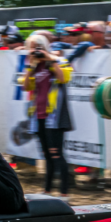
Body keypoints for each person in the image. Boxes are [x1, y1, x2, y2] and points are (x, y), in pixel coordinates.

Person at [20, 36, 74, 197]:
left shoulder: (58, 60)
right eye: (31, 47)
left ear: (45, 47)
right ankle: (47, 191)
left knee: (57, 154)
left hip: (54, 116)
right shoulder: (34, 67)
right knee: (47, 156)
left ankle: (64, 193)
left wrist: (50, 59)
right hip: (38, 117)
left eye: (38, 47)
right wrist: (30, 65)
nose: (35, 50)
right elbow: (25, 86)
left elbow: (64, 78)